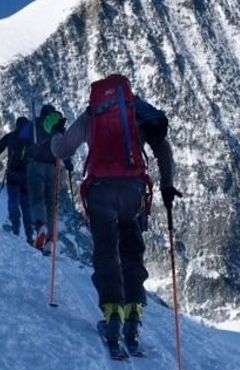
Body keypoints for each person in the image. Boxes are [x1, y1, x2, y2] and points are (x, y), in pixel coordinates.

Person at [50, 74, 180, 351]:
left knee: (107, 252)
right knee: (132, 251)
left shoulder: (91, 115)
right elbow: (163, 148)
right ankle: (133, 315)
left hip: (100, 191)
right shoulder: (138, 113)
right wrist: (168, 186)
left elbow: (62, 149)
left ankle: (112, 316)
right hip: (133, 190)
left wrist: (55, 137)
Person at [27, 104, 73, 250]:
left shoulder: (34, 124)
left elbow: (22, 139)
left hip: (36, 165)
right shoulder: (58, 126)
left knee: (37, 198)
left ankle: (41, 227)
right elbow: (64, 147)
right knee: (52, 203)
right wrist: (68, 163)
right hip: (54, 168)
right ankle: (51, 240)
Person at [0, 116, 34, 244]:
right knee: (26, 205)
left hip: (13, 173)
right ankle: (29, 235)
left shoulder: (11, 136)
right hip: (27, 176)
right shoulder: (32, 139)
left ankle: (15, 228)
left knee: (13, 199)